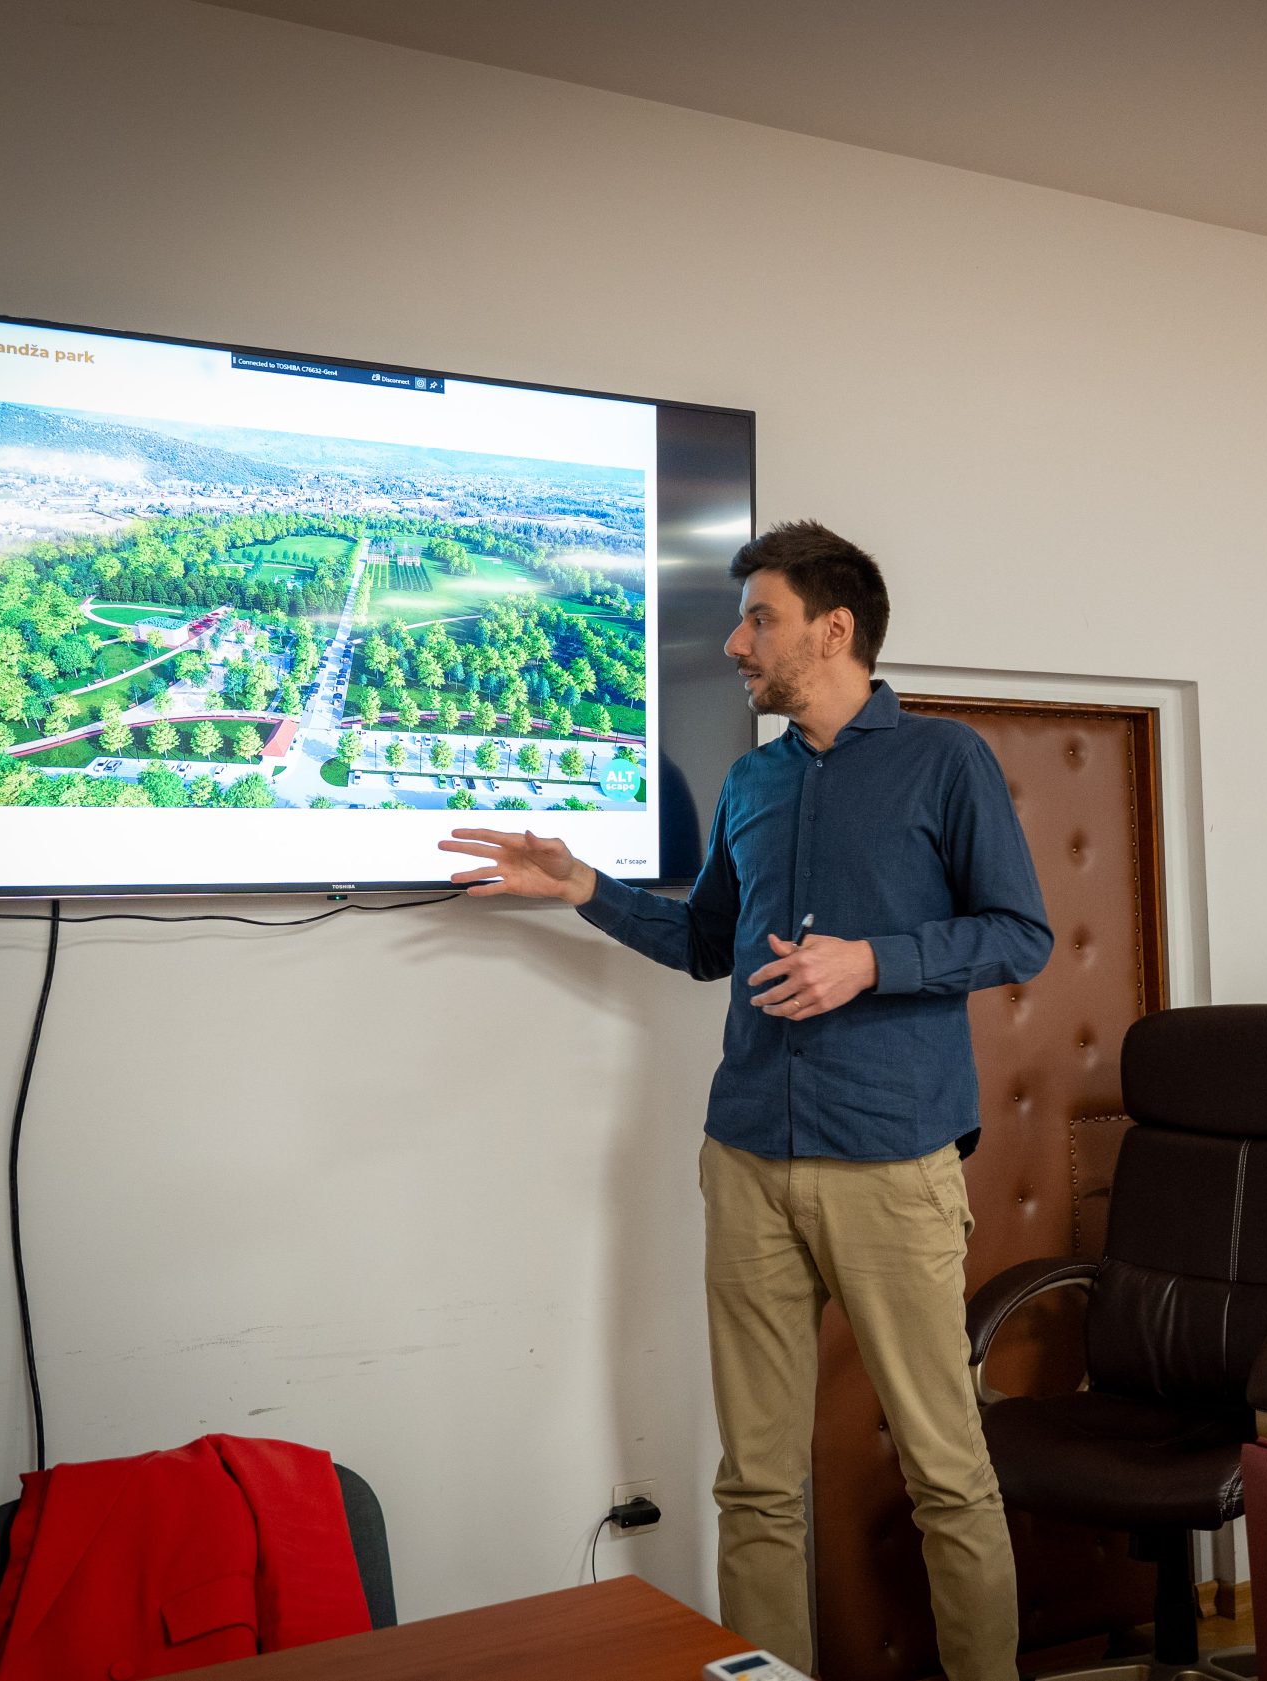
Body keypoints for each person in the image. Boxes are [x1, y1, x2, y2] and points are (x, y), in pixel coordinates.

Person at [440, 521, 1048, 1681]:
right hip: (748, 1158)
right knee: (755, 1482)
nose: (735, 643)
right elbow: (707, 942)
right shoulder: (754, 780)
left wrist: (871, 961)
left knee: (947, 1473)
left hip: (891, 1161)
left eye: (758, 618)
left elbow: (1020, 933)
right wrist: (580, 885)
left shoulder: (945, 759)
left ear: (833, 629)